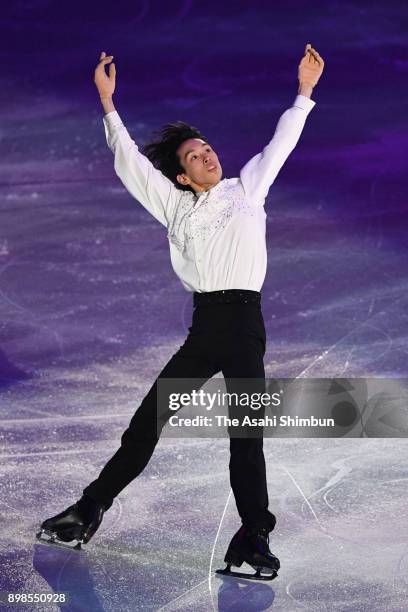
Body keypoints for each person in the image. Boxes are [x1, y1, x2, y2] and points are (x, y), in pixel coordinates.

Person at [38, 44, 324, 579]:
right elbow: (131, 165)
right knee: (146, 423)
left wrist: (304, 93)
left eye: (207, 148)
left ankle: (254, 536)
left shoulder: (248, 189)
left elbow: (281, 143)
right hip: (204, 330)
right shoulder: (173, 207)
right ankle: (89, 508)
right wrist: (107, 104)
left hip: (243, 328)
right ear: (182, 177)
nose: (207, 156)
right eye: (194, 157)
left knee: (247, 436)